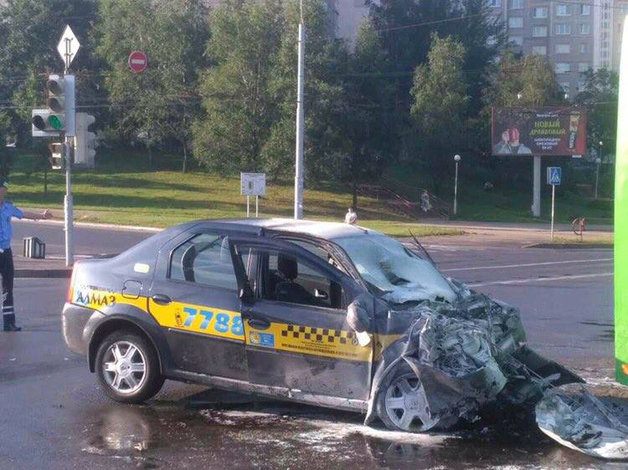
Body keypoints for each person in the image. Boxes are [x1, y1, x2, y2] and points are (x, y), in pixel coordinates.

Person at [0, 179, 52, 331]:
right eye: (2, 189)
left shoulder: (8, 207)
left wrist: (42, 216)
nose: (4, 192)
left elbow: (23, 213)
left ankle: (9, 322)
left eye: (4, 190)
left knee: (8, 287)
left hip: (6, 252)